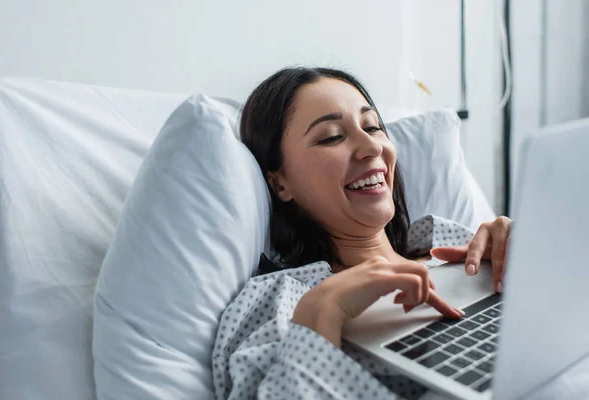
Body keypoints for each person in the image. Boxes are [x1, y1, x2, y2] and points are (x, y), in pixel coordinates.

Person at [211, 67, 513, 400]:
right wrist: (321, 313)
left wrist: (534, 259)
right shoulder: (280, 300)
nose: (371, 146)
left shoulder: (454, 245)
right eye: (331, 136)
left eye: (372, 126)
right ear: (280, 182)